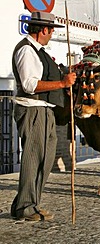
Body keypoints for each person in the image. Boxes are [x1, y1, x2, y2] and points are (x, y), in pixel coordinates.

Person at [10, 11, 77, 222]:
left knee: (44, 160)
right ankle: (25, 207)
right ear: (44, 30)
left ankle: (30, 203)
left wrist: (64, 81)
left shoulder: (40, 52)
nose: (51, 35)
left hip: (45, 110)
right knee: (33, 159)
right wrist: (62, 84)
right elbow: (30, 85)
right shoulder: (26, 51)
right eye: (50, 31)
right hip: (32, 109)